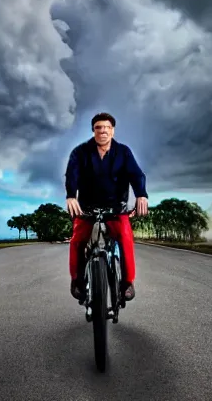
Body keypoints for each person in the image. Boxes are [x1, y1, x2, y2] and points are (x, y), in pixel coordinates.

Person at [64, 112, 149, 302]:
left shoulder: (124, 152)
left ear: (113, 130)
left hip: (116, 208)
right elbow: (72, 175)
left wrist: (141, 194)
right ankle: (77, 281)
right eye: (98, 128)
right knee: (77, 240)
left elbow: (136, 175)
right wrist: (71, 196)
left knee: (126, 237)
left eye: (107, 127)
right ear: (93, 130)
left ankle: (127, 283)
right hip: (87, 208)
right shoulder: (80, 152)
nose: (103, 131)